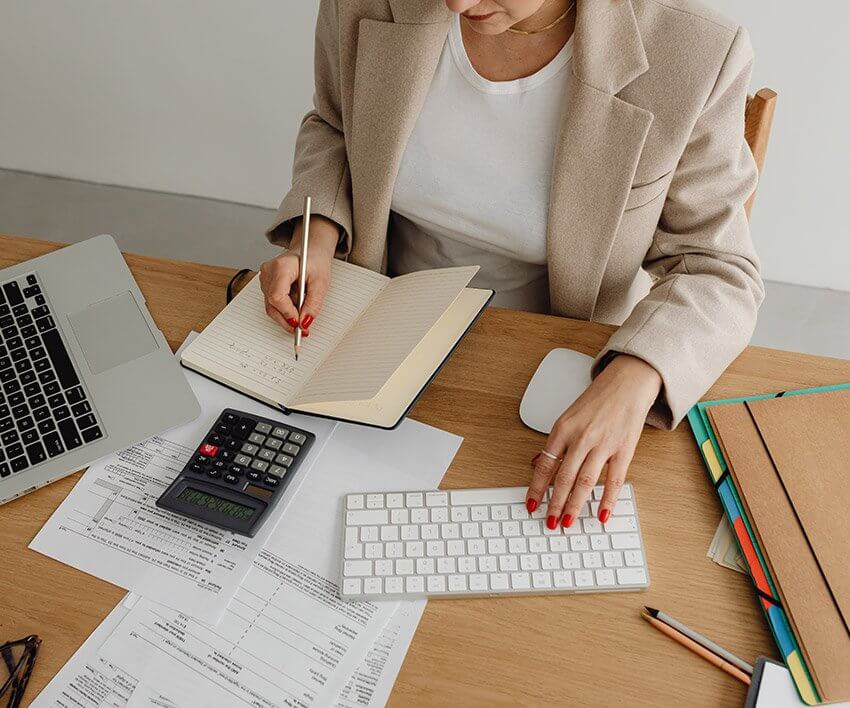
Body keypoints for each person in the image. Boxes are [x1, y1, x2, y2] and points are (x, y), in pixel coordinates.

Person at [259, 0, 763, 530]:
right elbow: (334, 126)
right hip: (377, 329)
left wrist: (634, 378)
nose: (457, 3)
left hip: (551, 360)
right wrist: (314, 237)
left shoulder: (695, 52)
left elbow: (718, 267)